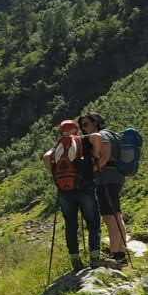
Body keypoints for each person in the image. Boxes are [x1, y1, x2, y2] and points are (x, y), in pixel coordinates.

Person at [42, 119, 100, 271]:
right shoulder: (83, 140)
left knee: (71, 225)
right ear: (77, 130)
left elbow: (46, 157)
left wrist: (54, 173)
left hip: (65, 192)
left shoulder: (58, 147)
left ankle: (75, 260)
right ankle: (94, 258)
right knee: (93, 223)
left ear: (61, 132)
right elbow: (97, 137)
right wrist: (96, 157)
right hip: (85, 188)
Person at [80, 111, 128, 264]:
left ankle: (116, 255)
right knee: (117, 215)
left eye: (86, 124)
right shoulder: (113, 134)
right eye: (82, 126)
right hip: (117, 177)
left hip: (106, 179)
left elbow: (105, 156)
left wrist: (91, 171)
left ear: (96, 123)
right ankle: (121, 252)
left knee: (109, 217)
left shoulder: (102, 135)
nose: (84, 128)